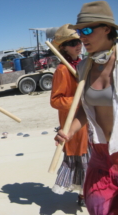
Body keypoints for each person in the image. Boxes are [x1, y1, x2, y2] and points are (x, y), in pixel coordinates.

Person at [55, 1, 118, 214]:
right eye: (79, 31)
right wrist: (69, 131)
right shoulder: (84, 67)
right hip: (100, 154)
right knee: (98, 209)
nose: (82, 37)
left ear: (107, 28)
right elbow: (84, 109)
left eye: (87, 30)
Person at [50, 24, 90, 206]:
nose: (78, 45)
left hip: (89, 123)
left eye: (79, 41)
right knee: (81, 160)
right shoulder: (62, 70)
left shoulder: (83, 64)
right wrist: (78, 98)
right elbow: (56, 100)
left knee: (91, 160)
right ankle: (85, 195)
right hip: (73, 125)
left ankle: (85, 195)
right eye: (72, 42)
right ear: (63, 47)